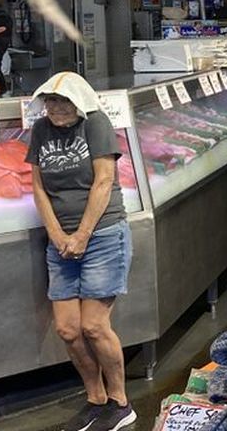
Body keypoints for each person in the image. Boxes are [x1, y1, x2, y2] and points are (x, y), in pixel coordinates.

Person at [26, 72, 136, 431]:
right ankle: (96, 398)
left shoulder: (97, 124)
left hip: (102, 235)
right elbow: (38, 187)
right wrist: (57, 234)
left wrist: (83, 233)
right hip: (61, 241)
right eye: (51, 102)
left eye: (64, 102)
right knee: (68, 330)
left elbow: (104, 180)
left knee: (94, 325)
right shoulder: (41, 130)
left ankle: (121, 403)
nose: (56, 108)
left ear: (80, 103)